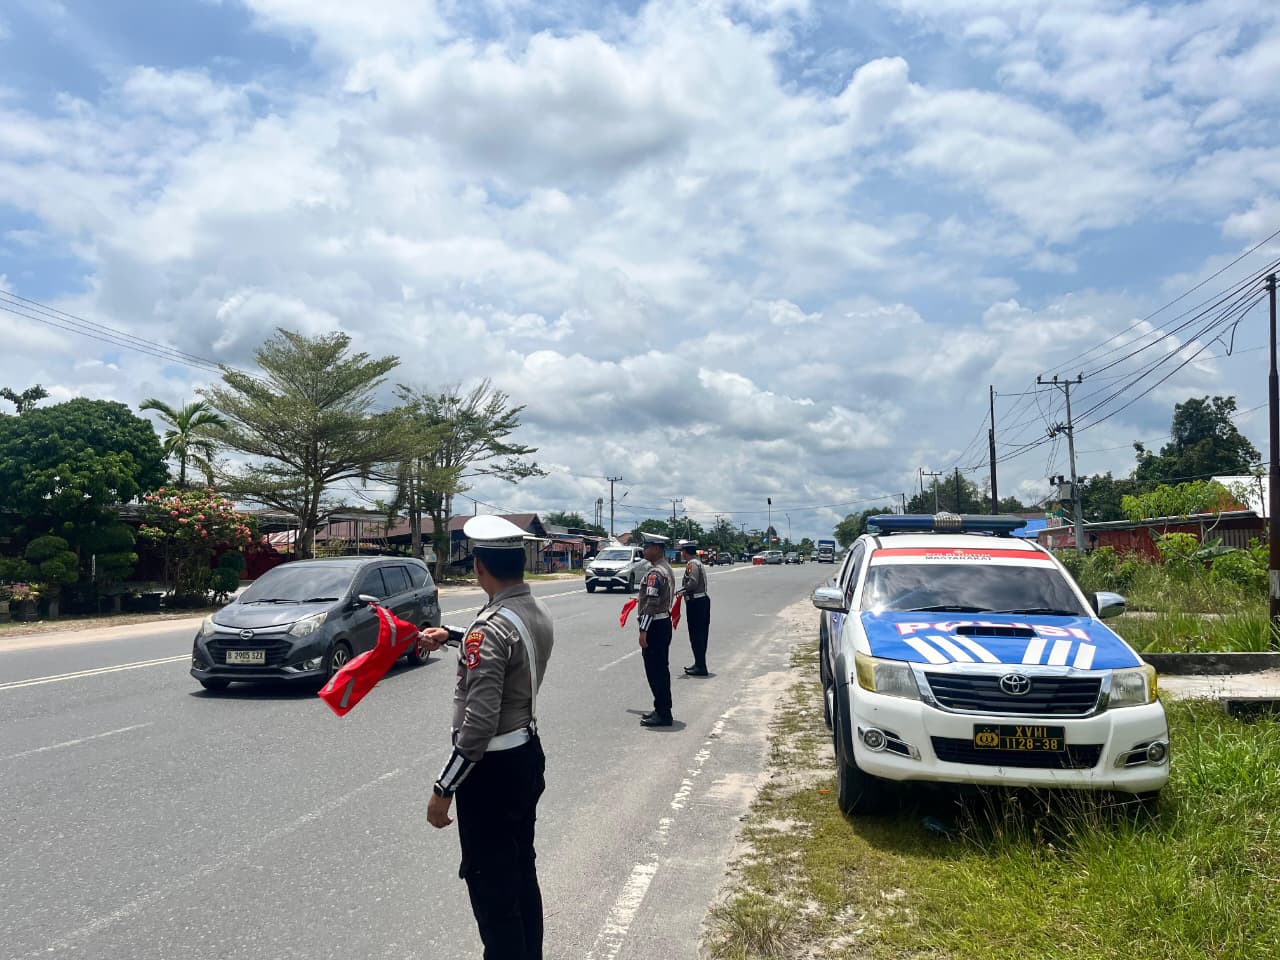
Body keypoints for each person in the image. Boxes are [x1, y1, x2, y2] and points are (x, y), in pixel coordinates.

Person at [420, 514, 554, 960]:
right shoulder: (532, 610)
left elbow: (477, 727)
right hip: (526, 755)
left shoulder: (490, 627)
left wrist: (443, 788)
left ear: (479, 566)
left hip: (491, 773)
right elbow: (505, 645)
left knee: (493, 890)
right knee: (521, 872)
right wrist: (451, 636)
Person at [636, 532, 676, 727]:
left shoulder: (655, 573)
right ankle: (661, 707)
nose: (644, 550)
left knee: (655, 670)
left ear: (657, 549)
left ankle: (663, 712)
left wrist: (643, 630)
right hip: (663, 622)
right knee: (661, 669)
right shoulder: (665, 568)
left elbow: (651, 604)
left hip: (655, 626)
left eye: (647, 547)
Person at [677, 540, 711, 677]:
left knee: (697, 635)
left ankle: (701, 666)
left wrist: (680, 591)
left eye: (682, 551)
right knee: (699, 635)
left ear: (685, 552)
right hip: (699, 601)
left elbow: (692, 583)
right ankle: (699, 663)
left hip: (696, 603)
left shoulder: (692, 564)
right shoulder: (696, 563)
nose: (681, 554)